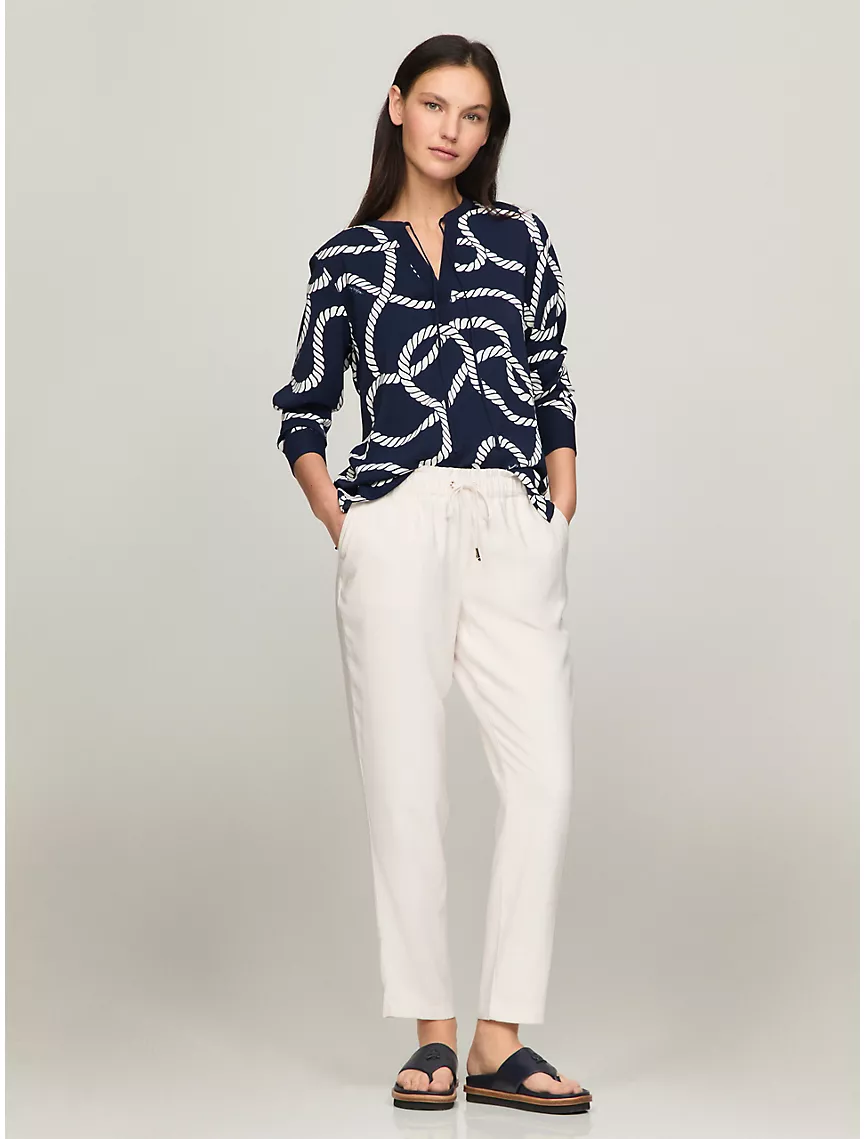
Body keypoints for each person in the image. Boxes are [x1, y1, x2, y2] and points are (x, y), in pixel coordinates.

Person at [272, 34, 592, 1117]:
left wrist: (558, 506)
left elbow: (550, 375)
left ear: (489, 131)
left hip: (510, 520)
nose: (454, 129)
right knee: (408, 783)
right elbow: (304, 410)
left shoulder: (521, 238)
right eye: (438, 105)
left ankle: (503, 1037)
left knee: (543, 778)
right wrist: (347, 524)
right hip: (396, 524)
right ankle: (434, 1034)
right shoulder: (345, 260)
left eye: (476, 114)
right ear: (398, 106)